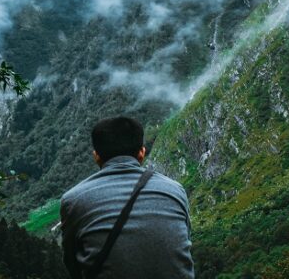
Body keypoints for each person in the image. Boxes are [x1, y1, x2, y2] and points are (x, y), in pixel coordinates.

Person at [60, 116, 194, 279]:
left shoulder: (74, 200)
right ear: (142, 153)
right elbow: (183, 242)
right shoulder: (175, 190)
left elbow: (72, 263)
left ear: (96, 156)